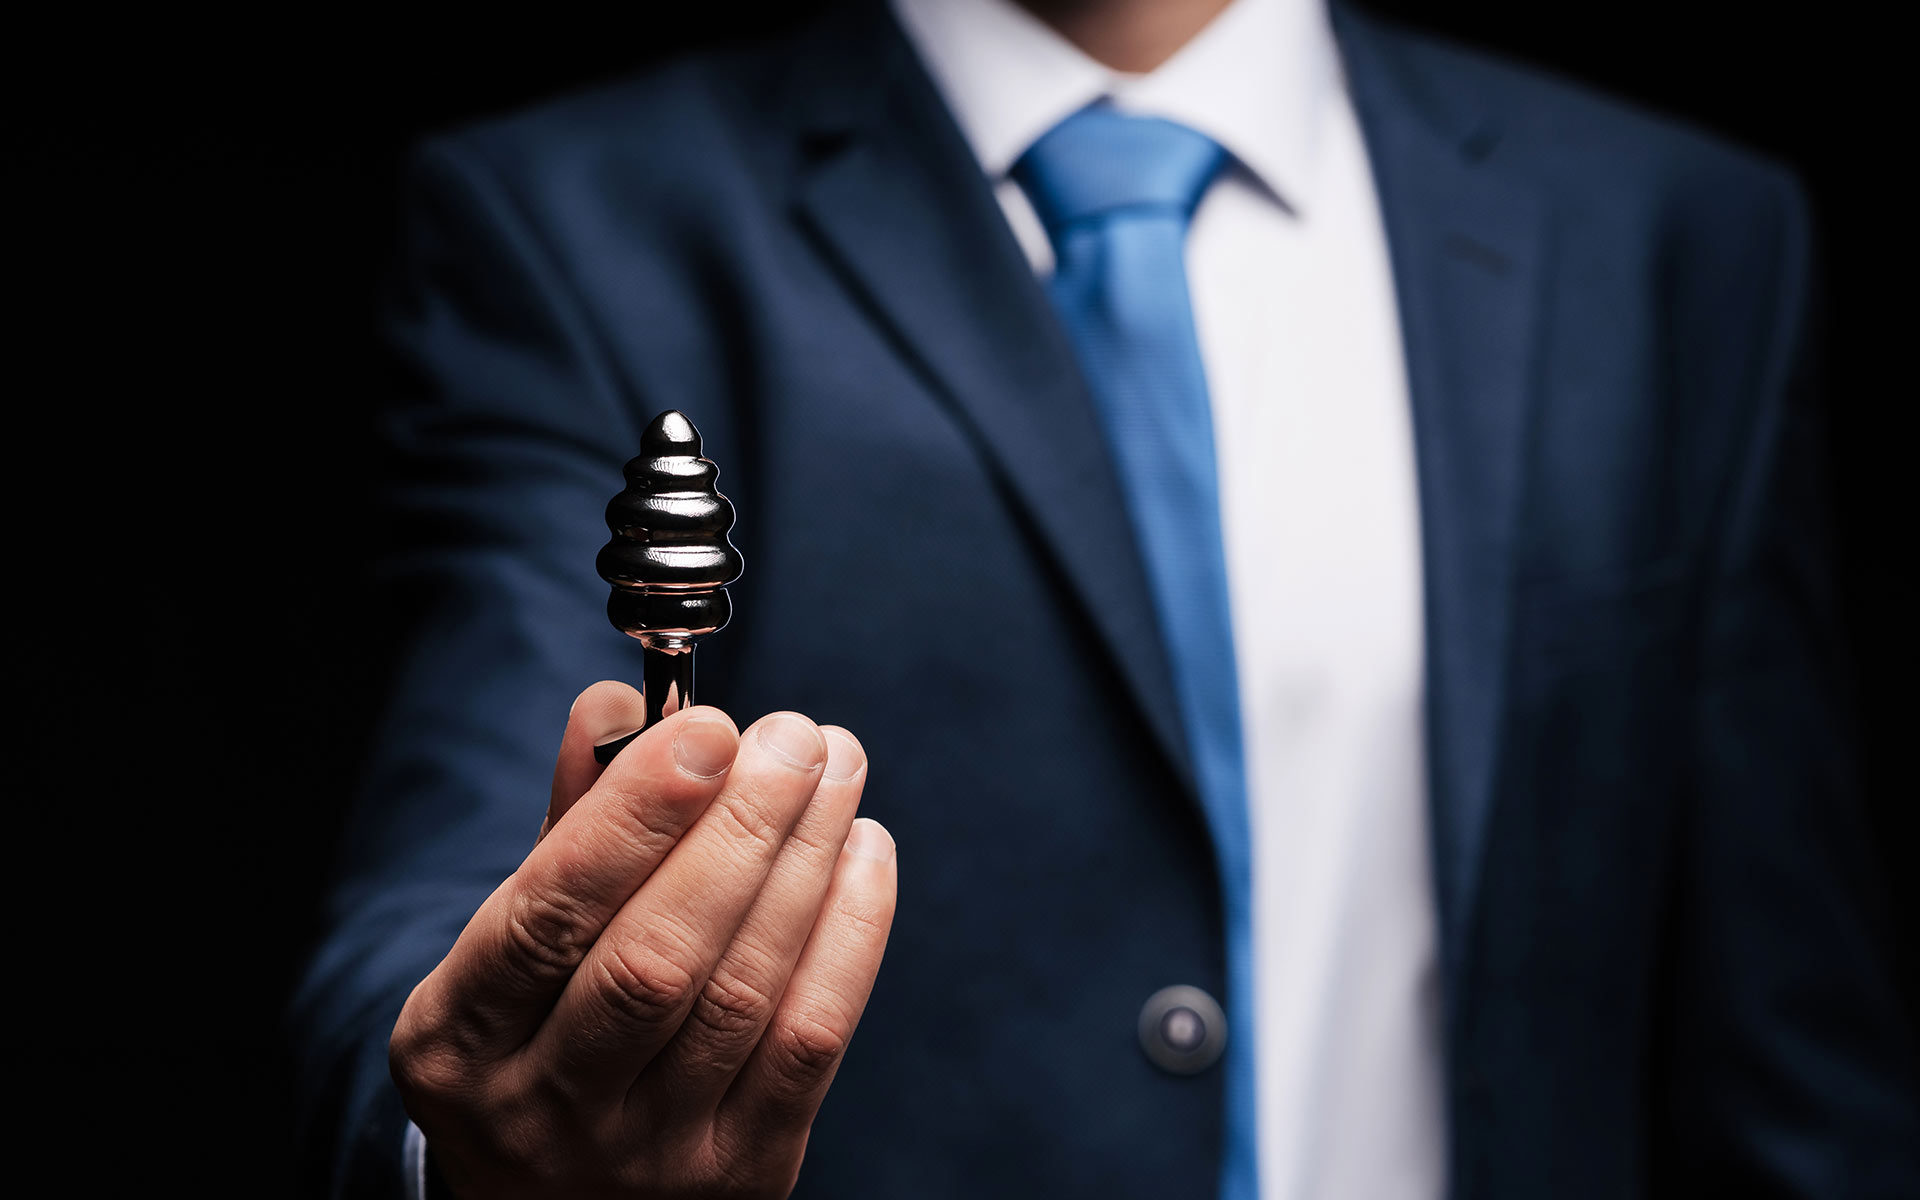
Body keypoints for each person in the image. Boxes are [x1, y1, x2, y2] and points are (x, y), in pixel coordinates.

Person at [289, 0, 1920, 1196]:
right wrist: (481, 1137)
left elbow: (1787, 1049)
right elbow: (443, 886)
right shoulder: (575, 222)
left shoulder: (1676, 237)